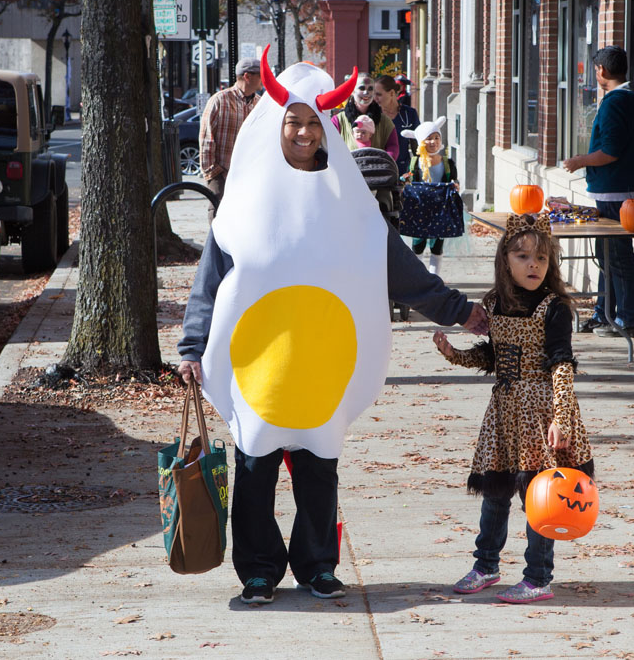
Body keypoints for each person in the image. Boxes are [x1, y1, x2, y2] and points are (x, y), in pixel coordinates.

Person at [177, 53, 489, 606]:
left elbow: (403, 273)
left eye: (313, 123)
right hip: (258, 367)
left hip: (325, 362)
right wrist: (192, 346)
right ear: (276, 126)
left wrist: (462, 312)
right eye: (293, 121)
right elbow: (210, 282)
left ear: (328, 131)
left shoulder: (352, 207)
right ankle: (258, 571)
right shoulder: (243, 205)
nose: (302, 132)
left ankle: (318, 566)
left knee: (319, 475)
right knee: (255, 472)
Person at [432, 212, 594, 604]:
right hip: (504, 410)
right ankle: (486, 564)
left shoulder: (554, 307)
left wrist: (562, 418)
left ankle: (538, 577)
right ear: (505, 260)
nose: (533, 264)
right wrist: (455, 355)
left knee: (541, 497)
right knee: (495, 491)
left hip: (540, 413)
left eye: (541, 257)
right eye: (522, 256)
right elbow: (492, 356)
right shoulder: (496, 304)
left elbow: (561, 366)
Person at [562, 45, 634, 338]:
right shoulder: (632, 98)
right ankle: (604, 313)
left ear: (601, 71)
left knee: (618, 256)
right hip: (615, 189)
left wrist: (579, 161)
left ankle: (626, 318)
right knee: (607, 255)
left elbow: (610, 151)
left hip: (614, 191)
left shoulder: (616, 103)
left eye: (595, 68)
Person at [198, 57, 262, 223]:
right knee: (219, 215)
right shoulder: (220, 100)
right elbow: (206, 138)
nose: (264, 79)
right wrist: (213, 173)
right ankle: (216, 248)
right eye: (260, 75)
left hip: (248, 175)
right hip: (221, 173)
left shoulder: (259, 103)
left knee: (245, 217)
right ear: (247, 76)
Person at [402, 116, 457, 275]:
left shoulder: (447, 163)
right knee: (418, 244)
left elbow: (452, 178)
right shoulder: (415, 162)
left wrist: (455, 184)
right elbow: (409, 177)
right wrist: (404, 181)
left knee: (437, 245)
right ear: (420, 142)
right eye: (429, 139)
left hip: (440, 210)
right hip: (420, 209)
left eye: (436, 138)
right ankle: (418, 276)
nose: (433, 142)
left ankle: (434, 278)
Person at [331, 72, 398, 161]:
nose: (366, 92)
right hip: (347, 172)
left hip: (377, 172)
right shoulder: (338, 121)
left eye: (370, 89)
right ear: (352, 91)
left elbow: (393, 146)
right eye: (362, 88)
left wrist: (384, 161)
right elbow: (331, 147)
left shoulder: (385, 121)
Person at [375, 74, 420, 178]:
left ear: (391, 93)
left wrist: (413, 172)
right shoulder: (373, 115)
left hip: (403, 173)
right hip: (378, 172)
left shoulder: (409, 114)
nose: (375, 98)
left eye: (378, 94)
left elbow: (417, 147)